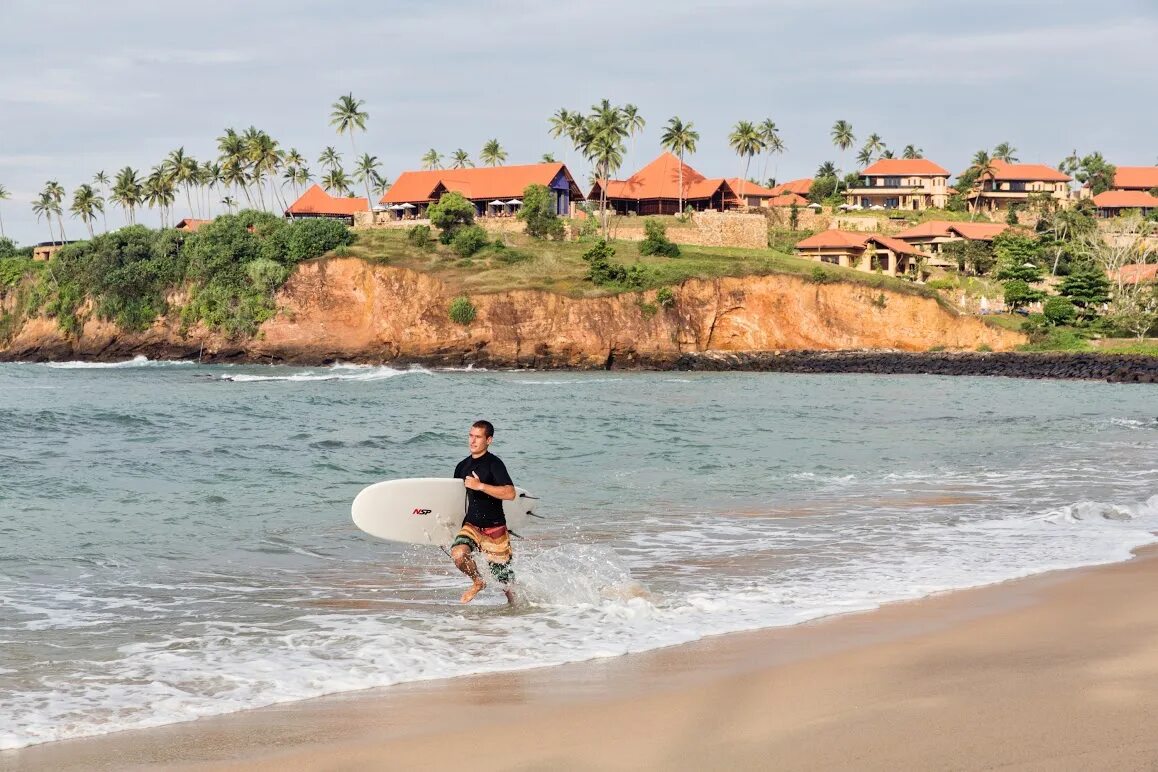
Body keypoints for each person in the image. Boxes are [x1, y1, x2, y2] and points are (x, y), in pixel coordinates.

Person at [451, 420, 517, 604]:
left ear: (489, 440)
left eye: (478, 437)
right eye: (471, 435)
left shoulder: (494, 464)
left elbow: (510, 493)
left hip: (494, 529)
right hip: (471, 525)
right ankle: (478, 581)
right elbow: (456, 499)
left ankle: (519, 617)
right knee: (458, 554)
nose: (472, 441)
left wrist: (480, 486)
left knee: (507, 585)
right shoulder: (461, 466)